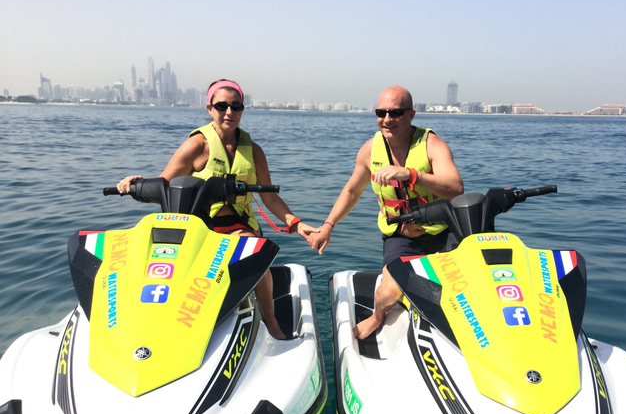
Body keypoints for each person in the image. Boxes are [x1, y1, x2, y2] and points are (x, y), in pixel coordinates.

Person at [117, 79, 314, 340]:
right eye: (222, 106)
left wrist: (296, 224)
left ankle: (272, 321)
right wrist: (136, 186)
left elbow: (269, 197)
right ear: (210, 108)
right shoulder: (197, 146)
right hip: (196, 227)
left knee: (254, 251)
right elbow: (164, 185)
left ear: (243, 109)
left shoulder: (254, 151)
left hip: (236, 226)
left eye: (236, 106)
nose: (229, 112)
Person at [308, 85, 463, 339]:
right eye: (381, 112)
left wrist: (412, 175)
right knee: (388, 293)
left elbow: (456, 188)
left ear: (411, 115)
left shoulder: (432, 144)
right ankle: (377, 316)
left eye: (396, 113)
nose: (387, 119)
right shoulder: (370, 150)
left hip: (444, 234)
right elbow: (351, 191)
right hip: (402, 239)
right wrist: (328, 226)